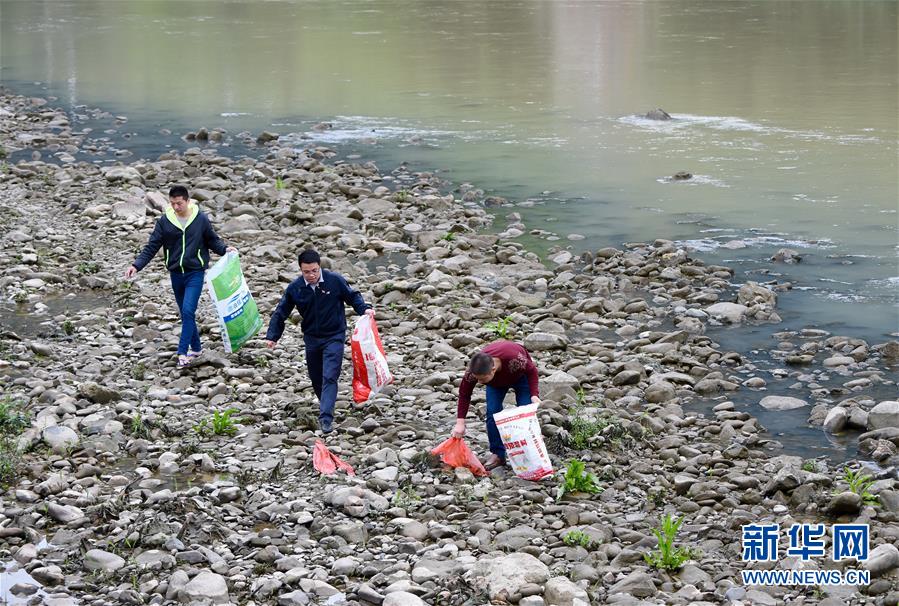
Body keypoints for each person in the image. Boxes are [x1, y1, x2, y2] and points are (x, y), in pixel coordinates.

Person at [125, 185, 235, 368]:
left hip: (195, 273)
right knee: (186, 314)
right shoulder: (165, 221)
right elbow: (152, 246)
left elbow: (212, 240)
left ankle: (182, 352)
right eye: (173, 203)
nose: (176, 207)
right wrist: (136, 266)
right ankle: (197, 348)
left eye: (179, 204)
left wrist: (225, 250)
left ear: (188, 201)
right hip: (176, 273)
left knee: (188, 311)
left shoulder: (200, 219)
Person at [265, 249, 374, 434]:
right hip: (312, 338)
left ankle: (326, 418)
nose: (311, 275)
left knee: (330, 376)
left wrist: (365, 309)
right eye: (307, 272)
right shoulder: (296, 288)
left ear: (319, 267)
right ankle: (326, 404)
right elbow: (281, 312)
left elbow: (352, 296)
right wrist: (272, 336)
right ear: (301, 270)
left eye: (314, 270)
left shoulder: (334, 280)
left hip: (334, 336)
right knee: (316, 377)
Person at [452, 341, 541, 469]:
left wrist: (534, 394)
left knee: (524, 415)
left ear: (493, 370)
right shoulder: (475, 370)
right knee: (493, 413)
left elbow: (532, 370)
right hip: (496, 384)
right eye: (477, 379)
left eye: (482, 380)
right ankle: (498, 454)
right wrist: (460, 423)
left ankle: (529, 453)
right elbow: (464, 394)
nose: (479, 382)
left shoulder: (515, 360)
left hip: (520, 377)